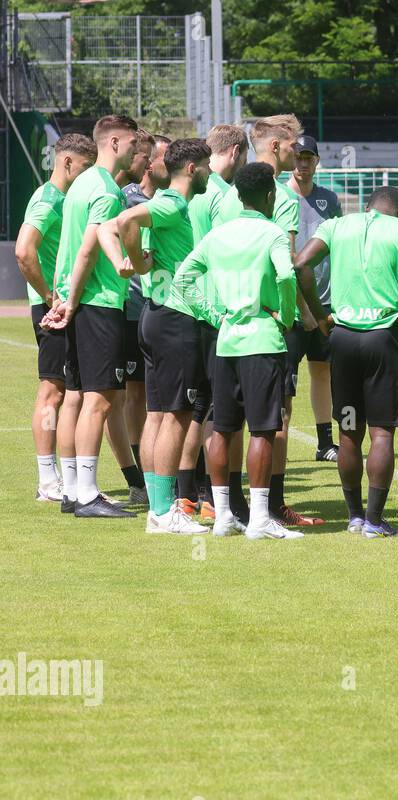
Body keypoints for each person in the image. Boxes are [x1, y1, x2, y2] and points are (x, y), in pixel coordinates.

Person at [172, 162, 302, 537]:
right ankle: (260, 519)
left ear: (238, 196)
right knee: (263, 430)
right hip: (262, 340)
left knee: (224, 429)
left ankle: (224, 514)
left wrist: (214, 315)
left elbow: (183, 278)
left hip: (226, 341)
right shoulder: (273, 233)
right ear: (271, 195)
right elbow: (286, 274)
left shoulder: (218, 234)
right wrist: (287, 315)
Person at [296, 186, 398, 537]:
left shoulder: (336, 224)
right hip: (381, 338)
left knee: (349, 431)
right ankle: (373, 520)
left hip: (342, 337)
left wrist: (318, 312)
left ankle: (355, 516)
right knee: (382, 431)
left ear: (368, 206)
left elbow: (301, 263)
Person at [214, 114, 322, 526]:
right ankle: (270, 506)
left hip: (225, 320)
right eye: (293, 146)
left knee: (226, 417)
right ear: (276, 146)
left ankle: (230, 505)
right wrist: (300, 317)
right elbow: (289, 266)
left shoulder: (225, 194)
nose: (298, 154)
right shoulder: (281, 198)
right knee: (275, 415)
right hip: (269, 322)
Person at [100, 138, 212, 534]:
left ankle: (159, 509)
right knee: (176, 417)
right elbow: (125, 224)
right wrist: (137, 264)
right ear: (193, 168)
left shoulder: (166, 203)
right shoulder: (175, 203)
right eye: (207, 166)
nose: (211, 173)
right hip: (175, 317)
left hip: (154, 314)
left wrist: (133, 260)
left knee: (158, 413)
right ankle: (165, 513)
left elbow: (110, 229)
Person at [43, 114, 140, 518]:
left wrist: (64, 298)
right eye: (133, 143)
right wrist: (75, 298)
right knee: (100, 400)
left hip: (80, 301)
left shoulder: (79, 185)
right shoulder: (104, 189)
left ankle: (72, 489)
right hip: (98, 303)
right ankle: (86, 494)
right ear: (115, 142)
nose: (136, 151)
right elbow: (86, 250)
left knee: (79, 398)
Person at [15, 133, 95, 503]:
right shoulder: (48, 200)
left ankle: (57, 476)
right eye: (84, 167)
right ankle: (48, 480)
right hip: (50, 307)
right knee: (52, 391)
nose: (88, 174)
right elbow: (23, 250)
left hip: (60, 305)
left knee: (62, 390)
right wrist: (49, 296)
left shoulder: (64, 199)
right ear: (66, 163)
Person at [179, 123, 250, 520]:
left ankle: (184, 493)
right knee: (221, 410)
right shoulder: (224, 195)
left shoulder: (187, 190)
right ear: (237, 151)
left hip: (186, 303)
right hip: (217, 309)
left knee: (193, 406)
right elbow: (229, 252)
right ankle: (215, 496)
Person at [112, 133, 170, 504]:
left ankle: (161, 471)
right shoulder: (126, 198)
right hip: (133, 310)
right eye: (166, 157)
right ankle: (140, 471)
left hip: (161, 309)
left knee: (158, 395)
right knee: (134, 392)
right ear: (150, 163)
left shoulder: (169, 201)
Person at [287, 134, 343, 463]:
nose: (302, 164)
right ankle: (277, 438)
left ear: (317, 161)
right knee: (286, 382)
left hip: (324, 304)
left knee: (323, 372)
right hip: (291, 308)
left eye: (308, 158)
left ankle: (325, 443)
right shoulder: (278, 196)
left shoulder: (329, 200)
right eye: (297, 157)